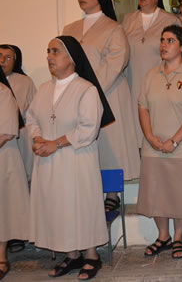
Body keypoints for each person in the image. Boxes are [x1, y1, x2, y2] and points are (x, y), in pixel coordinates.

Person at [26, 36, 114, 280]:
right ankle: (73, 255)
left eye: (55, 51)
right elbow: (31, 118)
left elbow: (89, 129)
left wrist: (56, 143)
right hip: (48, 161)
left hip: (76, 160)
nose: (49, 56)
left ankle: (92, 256)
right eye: (48, 51)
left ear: (71, 58)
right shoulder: (44, 89)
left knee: (80, 206)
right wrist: (37, 139)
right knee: (58, 208)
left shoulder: (86, 89)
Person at [63, 0, 140, 211]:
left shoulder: (113, 27)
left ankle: (112, 192)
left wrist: (91, 89)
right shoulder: (70, 29)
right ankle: (88, 188)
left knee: (110, 144)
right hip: (78, 94)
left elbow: (116, 61)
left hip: (108, 93)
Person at [136, 25, 182, 259]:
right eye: (162, 40)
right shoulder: (151, 75)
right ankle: (163, 236)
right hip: (153, 145)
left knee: (179, 193)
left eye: (170, 41)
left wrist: (174, 141)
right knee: (157, 192)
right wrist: (149, 137)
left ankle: (178, 238)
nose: (164, 45)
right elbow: (142, 106)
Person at [123, 0, 180, 146]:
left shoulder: (170, 19)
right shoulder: (128, 19)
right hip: (132, 78)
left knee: (157, 118)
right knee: (135, 121)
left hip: (159, 78)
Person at [0, 69, 29, 281]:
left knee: (4, 209)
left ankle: (1, 257)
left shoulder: (3, 93)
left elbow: (8, 132)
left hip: (3, 158)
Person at [0, 44, 36, 182]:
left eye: (8, 57)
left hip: (20, 136)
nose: (2, 60)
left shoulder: (24, 82)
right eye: (0, 55)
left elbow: (34, 111)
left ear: (15, 62)